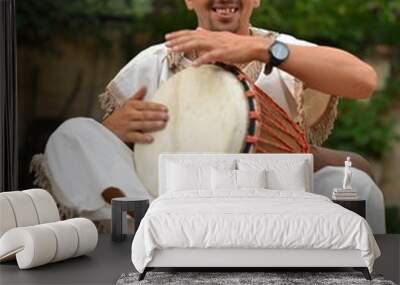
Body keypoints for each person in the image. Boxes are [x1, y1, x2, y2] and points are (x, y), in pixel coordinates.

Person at [31, 0, 385, 233]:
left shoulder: (282, 52)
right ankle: (154, 230)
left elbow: (364, 80)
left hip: (268, 206)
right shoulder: (155, 61)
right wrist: (112, 130)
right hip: (166, 203)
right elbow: (102, 154)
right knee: (74, 134)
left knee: (360, 187)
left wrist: (259, 49)